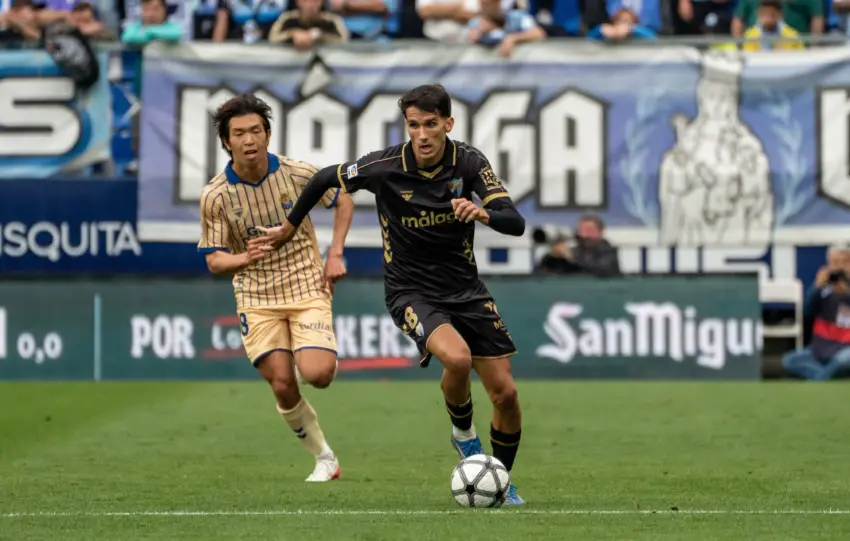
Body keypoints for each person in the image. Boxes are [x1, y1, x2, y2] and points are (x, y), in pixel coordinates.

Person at [248, 84, 527, 505]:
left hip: (466, 290)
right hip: (410, 290)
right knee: (456, 358)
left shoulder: (469, 162)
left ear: (448, 124)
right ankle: (465, 435)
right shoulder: (384, 167)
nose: (422, 134)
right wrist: (288, 228)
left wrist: (483, 212)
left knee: (506, 394)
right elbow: (324, 178)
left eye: (431, 124)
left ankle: (499, 483)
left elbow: (515, 222)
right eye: (414, 125)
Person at [198, 93, 354, 482]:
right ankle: (324, 458)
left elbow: (343, 199)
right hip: (256, 296)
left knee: (318, 375)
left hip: (305, 283)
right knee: (283, 383)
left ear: (268, 134)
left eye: (255, 130)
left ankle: (310, 354)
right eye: (239, 133)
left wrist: (335, 253)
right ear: (226, 142)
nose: (248, 140)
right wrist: (243, 259)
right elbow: (215, 260)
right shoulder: (215, 195)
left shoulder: (297, 174)